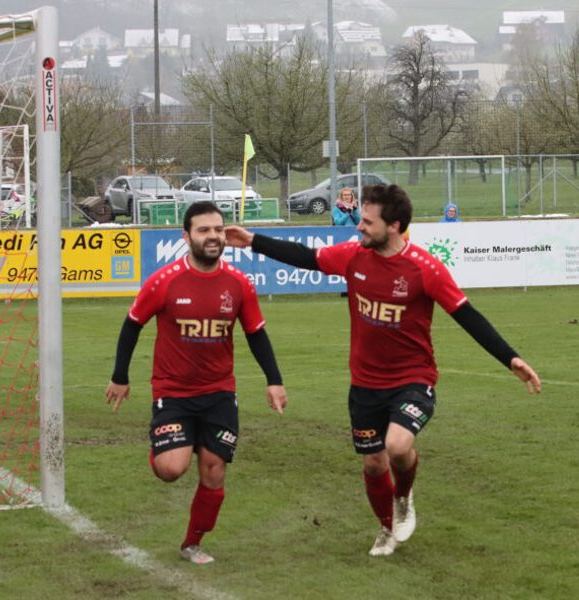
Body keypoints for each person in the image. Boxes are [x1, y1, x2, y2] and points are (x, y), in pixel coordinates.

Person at [225, 184, 541, 557]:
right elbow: (307, 257)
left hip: (413, 378)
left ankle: (404, 497)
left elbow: (468, 316)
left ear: (393, 226)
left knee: (397, 445)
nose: (359, 227)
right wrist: (253, 240)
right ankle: (386, 529)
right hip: (364, 383)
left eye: (368, 222)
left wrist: (511, 358)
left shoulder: (425, 269)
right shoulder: (353, 256)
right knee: (374, 464)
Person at [105, 201, 288, 565]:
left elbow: (256, 334)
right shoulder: (165, 280)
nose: (213, 236)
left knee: (214, 470)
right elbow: (132, 324)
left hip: (220, 393)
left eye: (218, 230)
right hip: (173, 393)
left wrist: (274, 381)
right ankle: (165, 446)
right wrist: (120, 376)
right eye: (204, 230)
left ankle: (192, 543)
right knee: (171, 470)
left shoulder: (239, 284)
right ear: (186, 236)